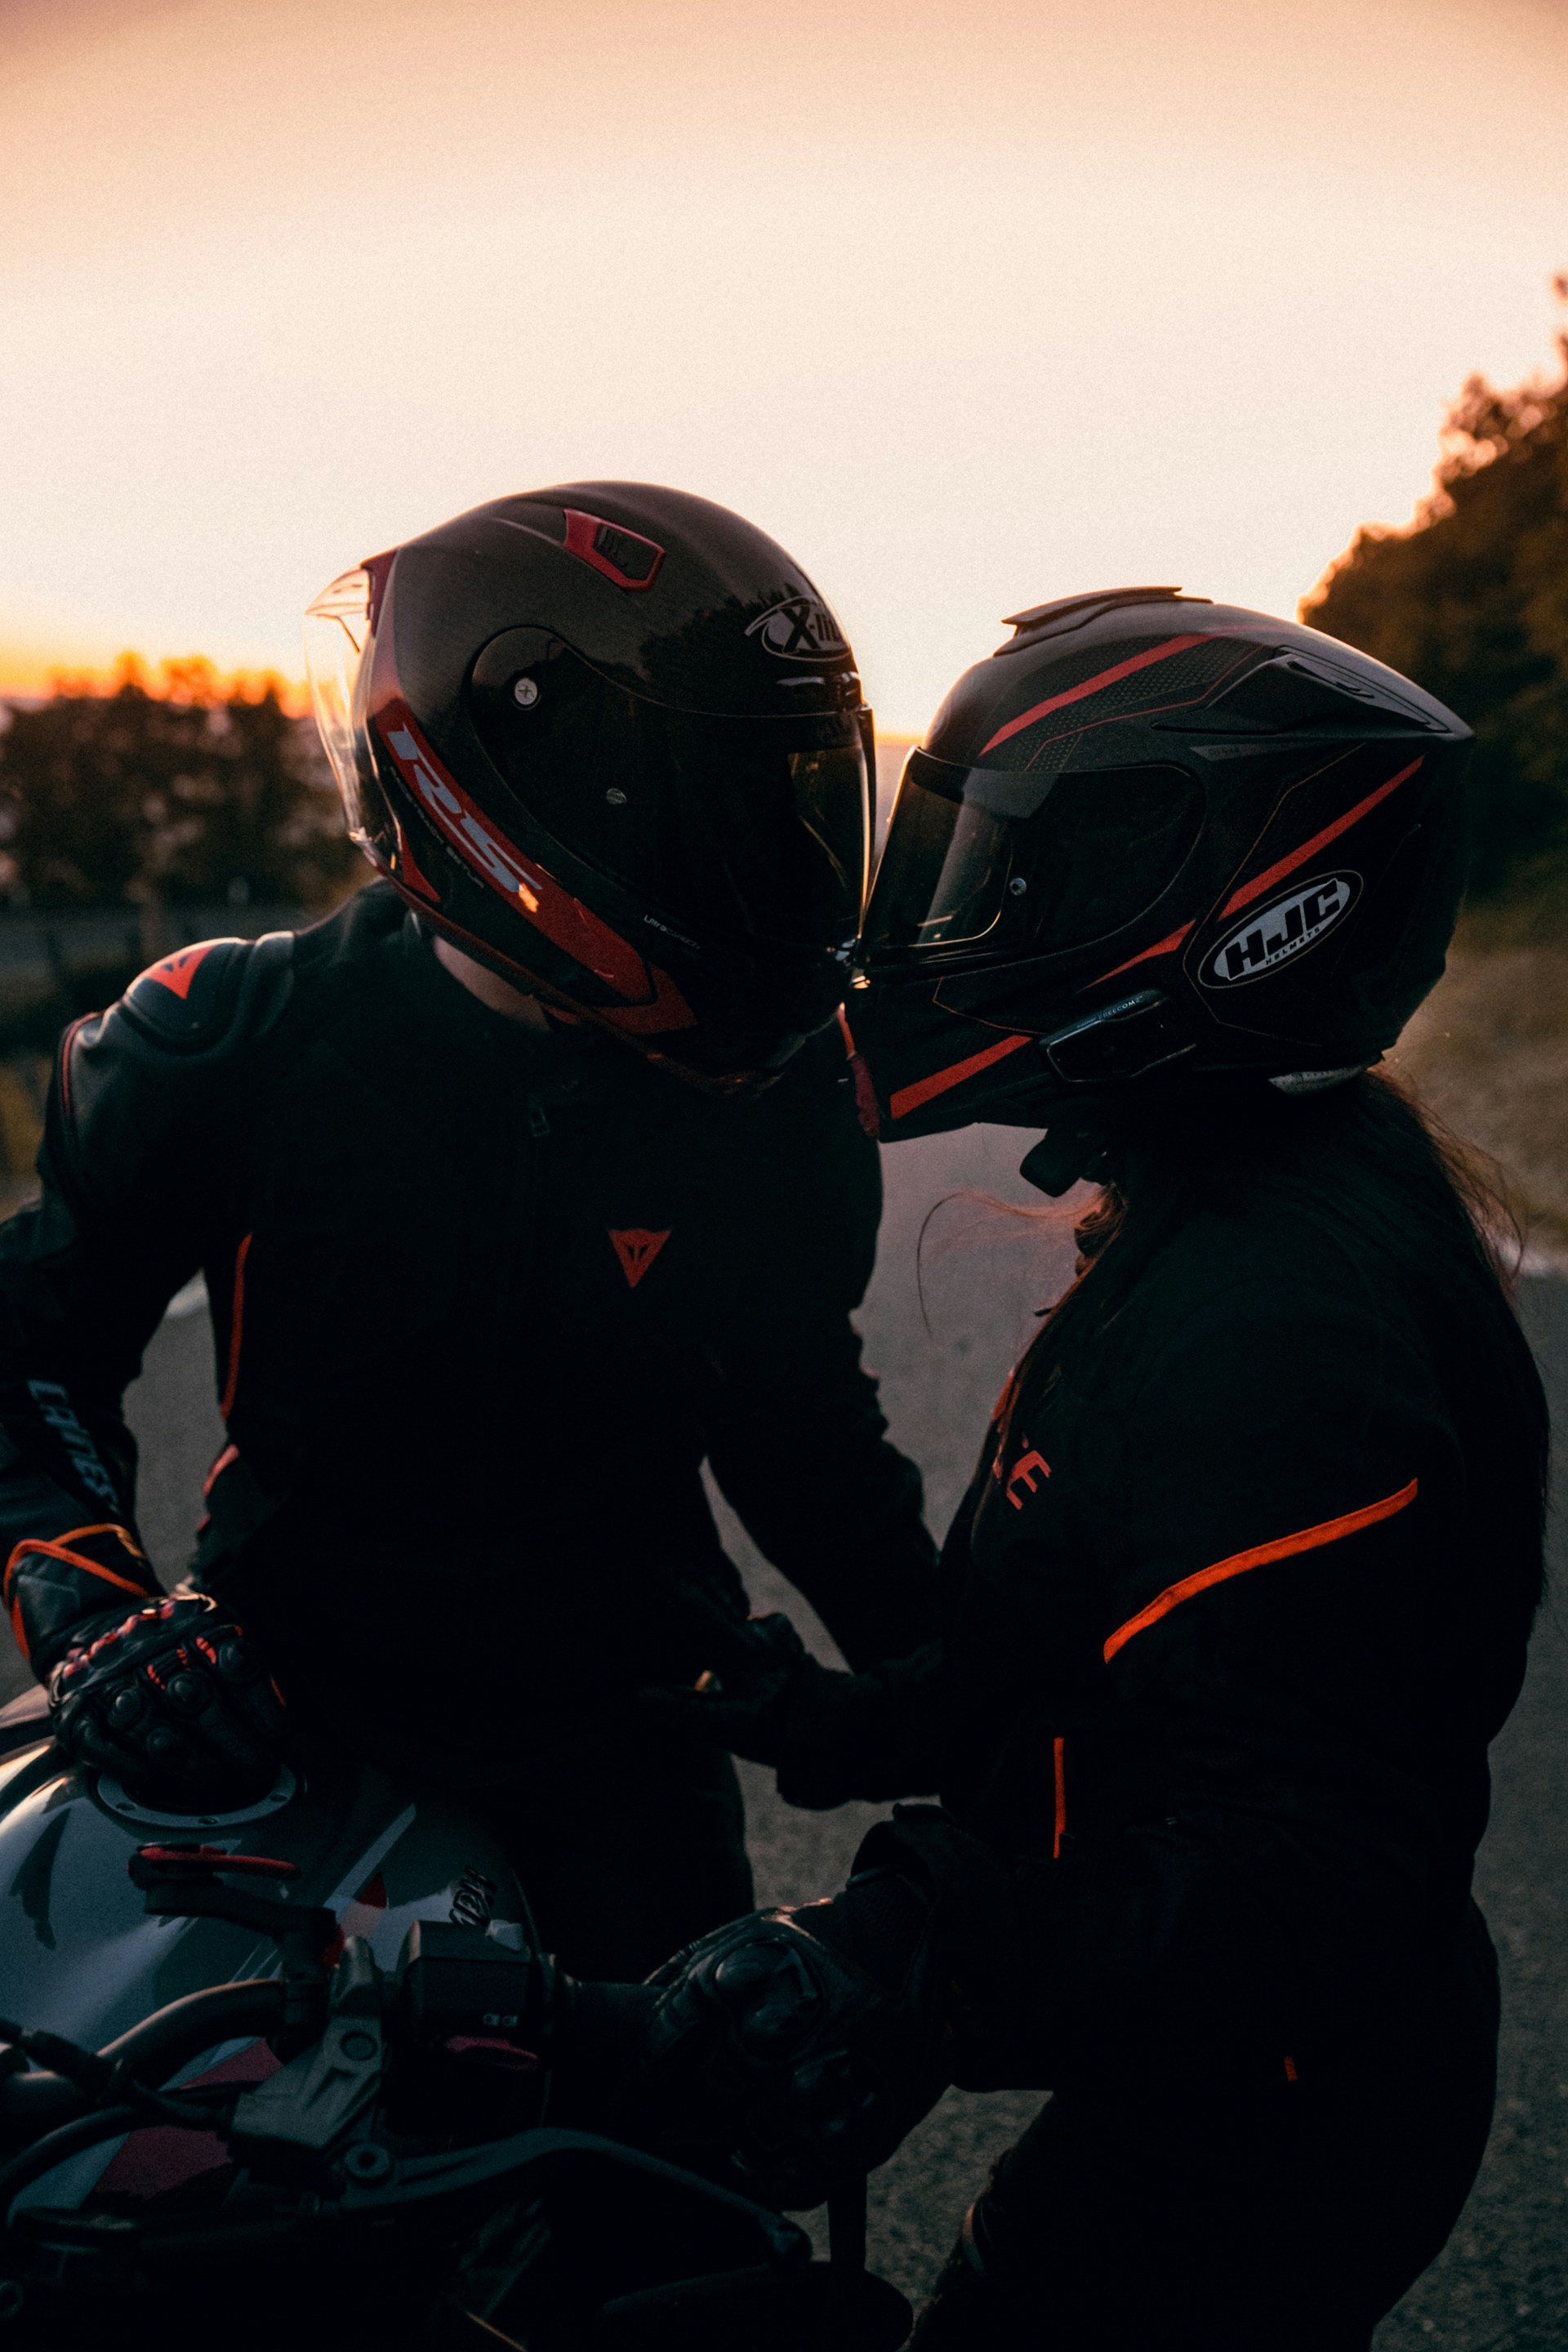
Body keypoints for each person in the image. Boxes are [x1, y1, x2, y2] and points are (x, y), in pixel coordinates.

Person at [633, 588, 1548, 2347]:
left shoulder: (1286, 1326)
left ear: (1228, 911)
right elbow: (1082, 1657)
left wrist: (915, 1952)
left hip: (1287, 2103)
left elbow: (1314, 1870)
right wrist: (830, 1718)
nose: (949, 928)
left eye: (1002, 880)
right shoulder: (1232, 1196)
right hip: (1234, 2062)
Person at [0, 482, 937, 1981]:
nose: (777, 861)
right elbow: (28, 1351)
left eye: (792, 799)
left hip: (626, 1734)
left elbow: (798, 1429)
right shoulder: (233, 1039)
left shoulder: (777, 1092)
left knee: (688, 2183)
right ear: (510, 783)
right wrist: (92, 1608)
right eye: (705, 802)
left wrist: (972, 1699)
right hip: (278, 1710)